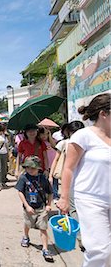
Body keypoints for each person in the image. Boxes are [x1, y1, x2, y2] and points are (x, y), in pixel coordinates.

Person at [57, 93, 110, 267]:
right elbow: (68, 168)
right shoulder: (83, 136)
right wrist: (64, 198)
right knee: (99, 249)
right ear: (104, 113)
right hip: (91, 199)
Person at [16, 156, 53, 262]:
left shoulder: (42, 178)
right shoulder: (24, 178)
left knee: (43, 228)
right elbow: (20, 192)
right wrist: (27, 206)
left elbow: (50, 192)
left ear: (38, 168)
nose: (30, 170)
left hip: (41, 208)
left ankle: (45, 248)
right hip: (29, 207)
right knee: (27, 224)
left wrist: (49, 205)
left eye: (32, 168)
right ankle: (26, 236)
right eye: (27, 167)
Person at [49, 121, 85, 201]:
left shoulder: (87, 144)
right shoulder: (64, 143)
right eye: (73, 132)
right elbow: (56, 159)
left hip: (82, 175)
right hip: (67, 175)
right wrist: (51, 175)